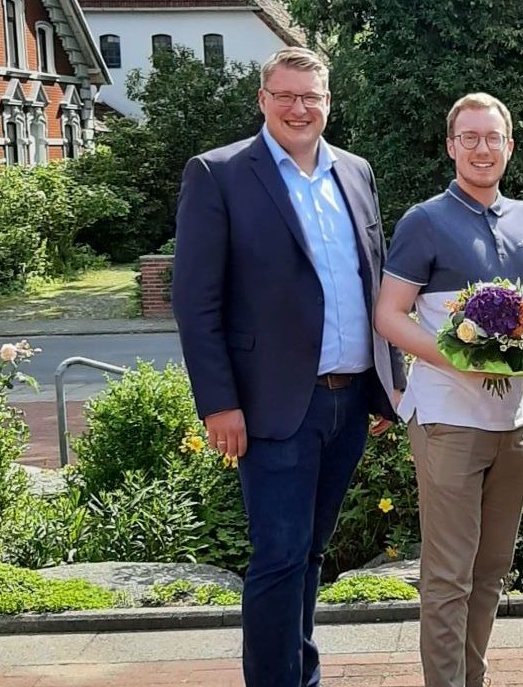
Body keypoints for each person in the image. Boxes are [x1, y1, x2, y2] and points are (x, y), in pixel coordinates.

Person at [172, 46, 405, 687]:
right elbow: (195, 302)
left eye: (312, 96)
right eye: (286, 95)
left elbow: (374, 279)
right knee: (278, 556)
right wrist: (219, 403)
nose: (300, 107)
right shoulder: (218, 174)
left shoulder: (355, 172)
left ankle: (300, 674)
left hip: (350, 400)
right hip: (273, 404)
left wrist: (388, 384)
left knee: (310, 553)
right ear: (263, 100)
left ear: (328, 102)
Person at [374, 92, 523, 687]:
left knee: (491, 571)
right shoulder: (424, 221)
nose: (483, 149)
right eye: (470, 138)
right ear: (452, 145)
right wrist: (460, 359)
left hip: (514, 424)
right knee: (449, 576)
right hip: (448, 421)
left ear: (510, 144)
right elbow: (390, 316)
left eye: (493, 138)